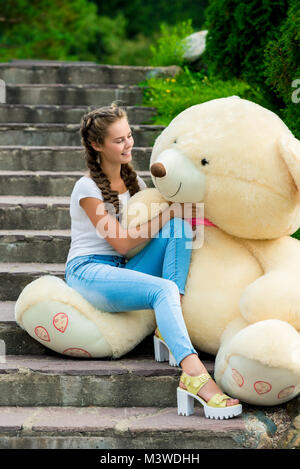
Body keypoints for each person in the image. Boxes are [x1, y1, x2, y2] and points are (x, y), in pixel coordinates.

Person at [64, 103, 242, 419]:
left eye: (129, 135)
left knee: (177, 227)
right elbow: (119, 241)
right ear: (96, 145)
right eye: (118, 140)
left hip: (122, 269)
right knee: (163, 285)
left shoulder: (138, 185)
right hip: (89, 271)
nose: (128, 144)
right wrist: (168, 212)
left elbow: (161, 228)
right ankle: (194, 375)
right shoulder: (87, 188)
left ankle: (168, 329)